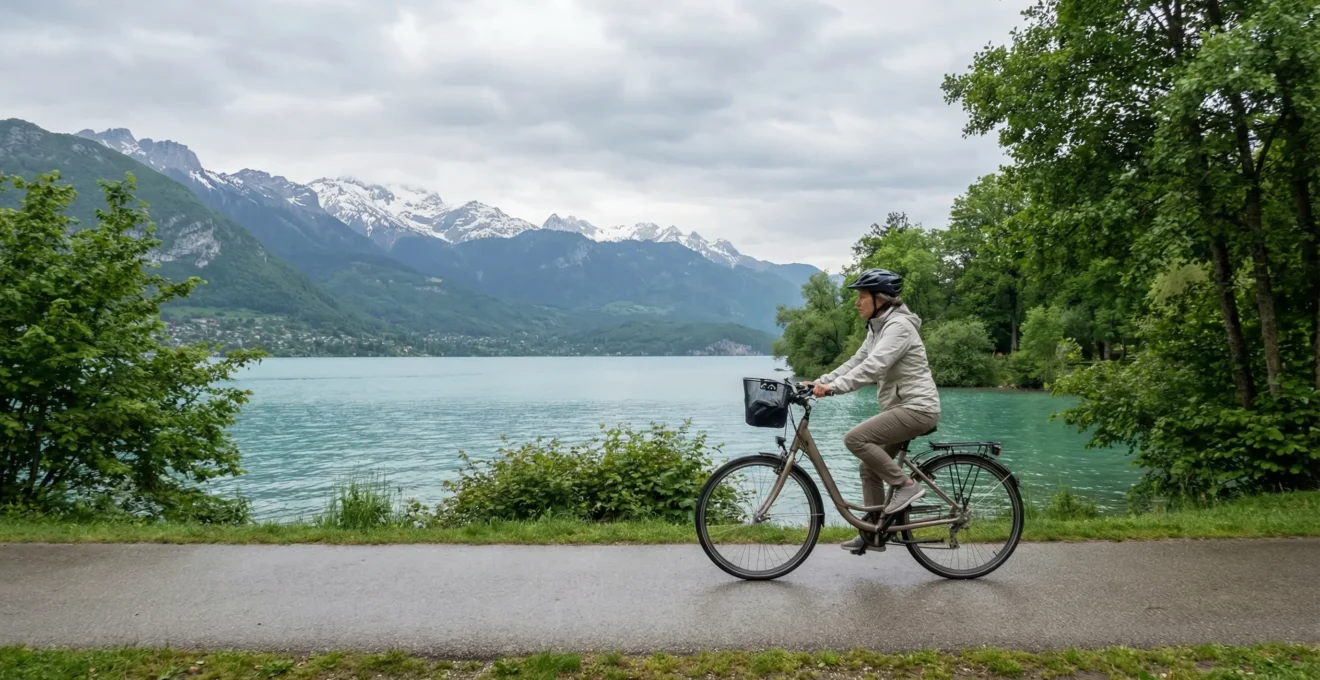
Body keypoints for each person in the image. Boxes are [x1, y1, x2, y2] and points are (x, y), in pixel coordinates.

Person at [803, 268, 941, 551]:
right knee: (869, 467)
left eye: (862, 297)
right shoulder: (877, 328)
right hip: (901, 408)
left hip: (917, 408)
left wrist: (835, 388)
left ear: (880, 299)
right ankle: (874, 532)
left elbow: (874, 366)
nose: (857, 303)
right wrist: (821, 382)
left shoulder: (899, 327)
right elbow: (856, 361)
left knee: (855, 438)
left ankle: (906, 487)